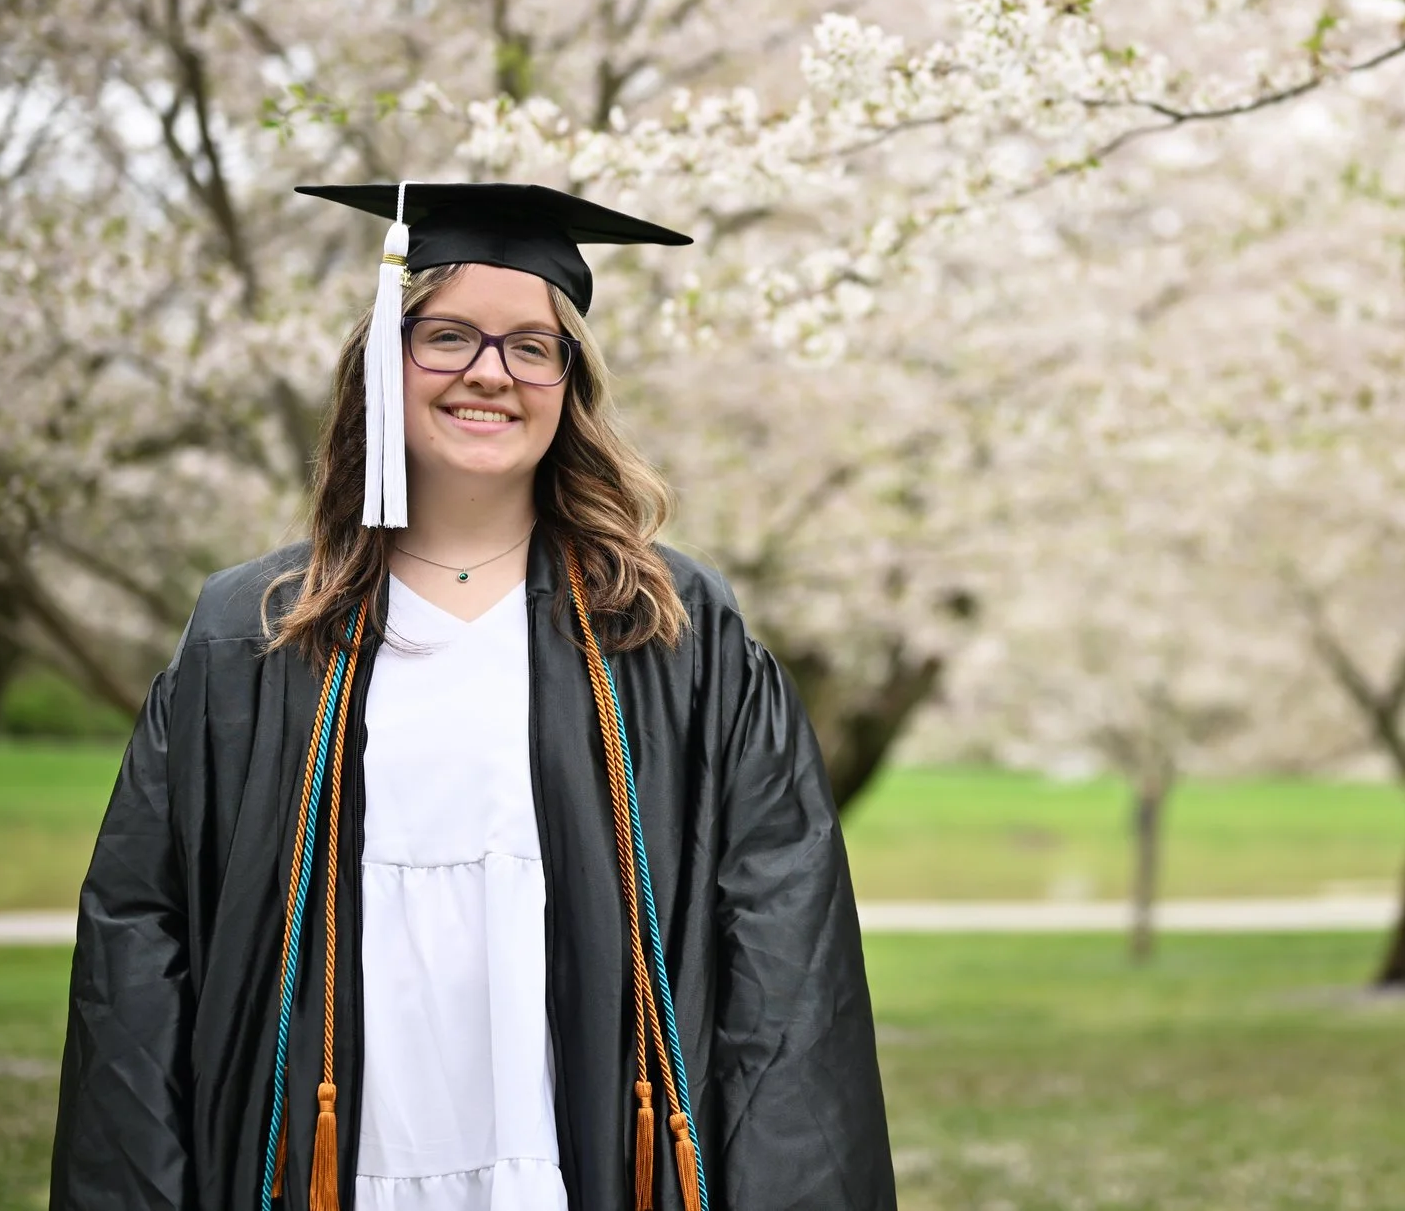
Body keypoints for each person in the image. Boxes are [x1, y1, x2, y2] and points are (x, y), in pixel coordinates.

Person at [51, 183, 896, 1211]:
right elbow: (139, 947)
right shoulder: (255, 636)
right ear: (382, 361)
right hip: (325, 1162)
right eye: (446, 335)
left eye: (531, 346)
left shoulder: (667, 630)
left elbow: (782, 946)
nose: (489, 372)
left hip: (580, 1159)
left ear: (568, 381)